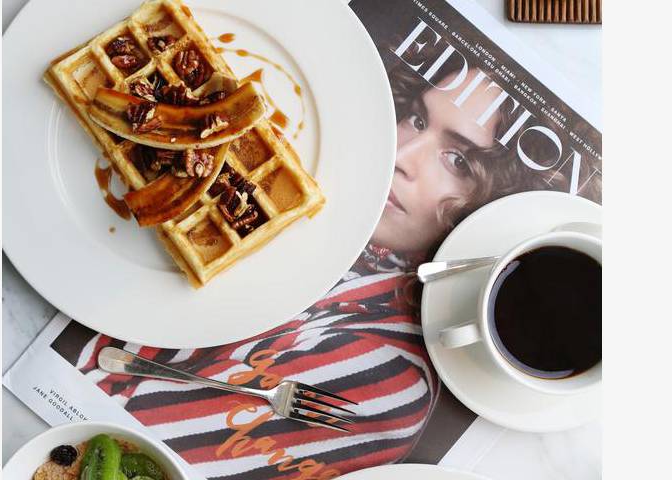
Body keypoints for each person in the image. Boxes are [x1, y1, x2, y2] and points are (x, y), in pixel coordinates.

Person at [71, 64, 597, 479]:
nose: (404, 154)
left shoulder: (389, 376)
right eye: (416, 119)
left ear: (496, 195)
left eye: (458, 160)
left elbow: (120, 428)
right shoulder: (331, 232)